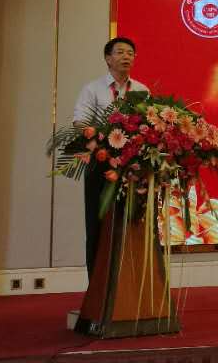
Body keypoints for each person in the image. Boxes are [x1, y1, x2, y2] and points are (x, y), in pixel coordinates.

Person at [71, 36, 149, 277]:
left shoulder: (142, 90)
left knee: (134, 223)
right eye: (120, 52)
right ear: (108, 58)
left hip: (133, 168)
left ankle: (130, 282)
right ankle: (97, 285)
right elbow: (80, 122)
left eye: (130, 53)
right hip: (101, 164)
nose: (126, 56)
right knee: (98, 225)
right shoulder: (93, 89)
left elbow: (149, 125)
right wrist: (102, 137)